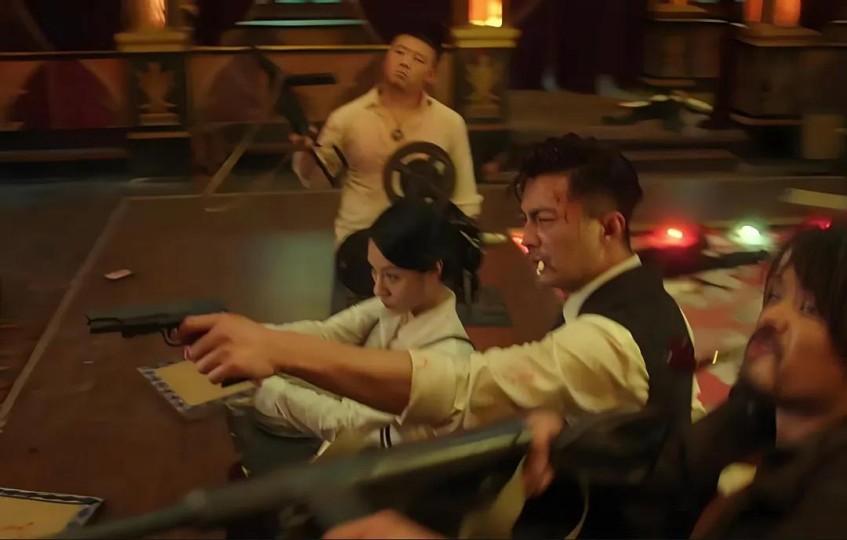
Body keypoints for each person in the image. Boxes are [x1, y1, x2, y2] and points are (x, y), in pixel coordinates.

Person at [321, 224, 847, 540]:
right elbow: (659, 475)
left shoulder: (831, 502)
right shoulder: (748, 422)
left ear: (606, 227)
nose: (772, 318)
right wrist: (566, 432)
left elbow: (466, 383)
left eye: (809, 309)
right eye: (775, 296)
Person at [180, 133, 704, 435]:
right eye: (525, 220)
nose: (526, 239)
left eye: (543, 220)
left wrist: (276, 354)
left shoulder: (606, 341)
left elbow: (461, 388)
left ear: (608, 228)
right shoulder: (649, 304)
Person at [252, 198, 474, 446]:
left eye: (392, 276)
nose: (378, 289)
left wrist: (266, 385)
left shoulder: (446, 356)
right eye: (374, 271)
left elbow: (352, 424)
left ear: (434, 271)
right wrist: (257, 338)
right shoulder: (401, 304)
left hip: (379, 463)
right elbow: (329, 333)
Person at [290, 18, 483, 248]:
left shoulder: (450, 123)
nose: (405, 63)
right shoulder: (347, 117)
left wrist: (463, 246)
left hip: (420, 247)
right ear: (386, 58)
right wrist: (306, 154)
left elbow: (465, 200)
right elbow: (317, 181)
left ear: (431, 74)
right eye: (399, 52)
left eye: (418, 59)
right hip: (359, 243)